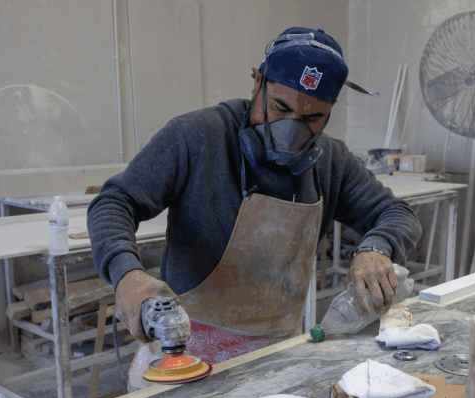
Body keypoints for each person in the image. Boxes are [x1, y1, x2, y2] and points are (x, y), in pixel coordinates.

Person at [87, 27, 421, 372]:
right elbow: (115, 201)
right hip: (183, 353)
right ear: (257, 82)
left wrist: (378, 247)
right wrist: (126, 274)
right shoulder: (196, 137)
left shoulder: (331, 161)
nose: (292, 130)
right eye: (279, 108)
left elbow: (397, 213)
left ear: (330, 111)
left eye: (311, 118)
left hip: (278, 354)